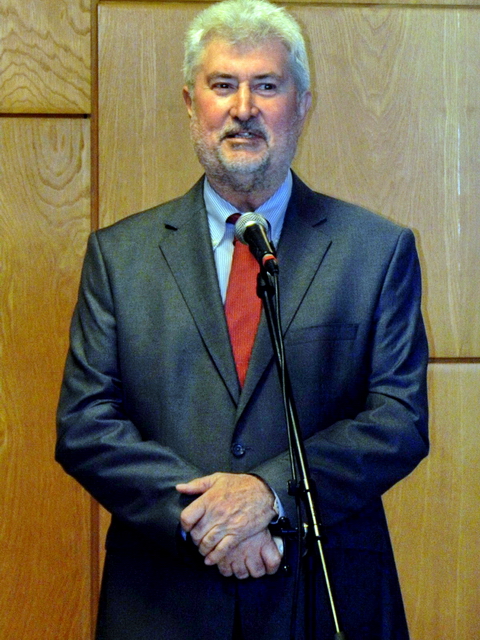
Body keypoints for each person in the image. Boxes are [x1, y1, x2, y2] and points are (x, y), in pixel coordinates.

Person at [56, 0, 429, 638]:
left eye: (267, 86)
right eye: (223, 84)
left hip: (322, 591)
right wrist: (208, 519)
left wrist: (268, 494)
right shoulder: (119, 257)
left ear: (302, 104)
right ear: (190, 102)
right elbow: (86, 425)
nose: (244, 108)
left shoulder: (376, 251)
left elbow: (398, 420)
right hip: (163, 603)